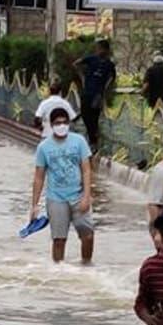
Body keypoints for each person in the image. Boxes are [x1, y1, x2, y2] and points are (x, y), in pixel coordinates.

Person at [30, 107, 95, 264]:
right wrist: (34, 206)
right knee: (59, 240)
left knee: (88, 235)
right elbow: (39, 177)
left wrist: (87, 196)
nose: (62, 125)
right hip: (56, 198)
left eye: (65, 122)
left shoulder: (79, 141)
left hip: (78, 196)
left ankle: (87, 264)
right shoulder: (44, 147)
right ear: (51, 125)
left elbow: (86, 170)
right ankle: (58, 270)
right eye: (58, 123)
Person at [73, 39, 116, 152]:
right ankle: (92, 139)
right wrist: (82, 77)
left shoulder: (109, 64)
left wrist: (105, 89)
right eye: (98, 48)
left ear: (106, 50)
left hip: (97, 95)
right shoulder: (91, 59)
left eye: (101, 48)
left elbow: (112, 77)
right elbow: (76, 63)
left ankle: (94, 143)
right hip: (87, 92)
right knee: (85, 115)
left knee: (94, 117)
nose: (98, 50)